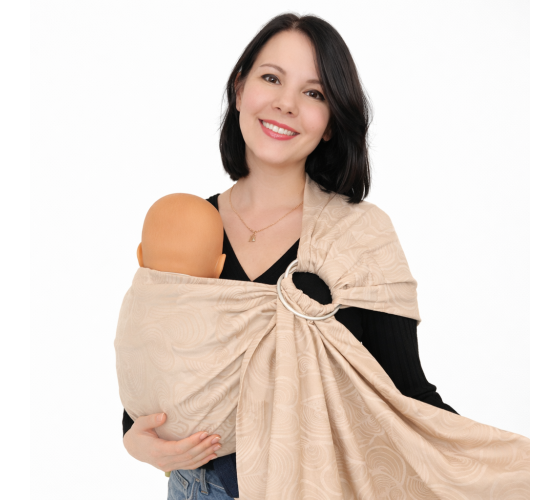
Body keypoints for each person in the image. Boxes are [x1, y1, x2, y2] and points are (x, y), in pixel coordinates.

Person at [122, 13, 457, 500]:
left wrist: (496, 472)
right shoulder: (187, 222)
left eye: (313, 93)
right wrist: (134, 440)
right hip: (197, 489)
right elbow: (150, 356)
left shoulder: (358, 236)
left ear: (330, 122)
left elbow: (408, 396)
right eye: (272, 78)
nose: (286, 103)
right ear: (240, 90)